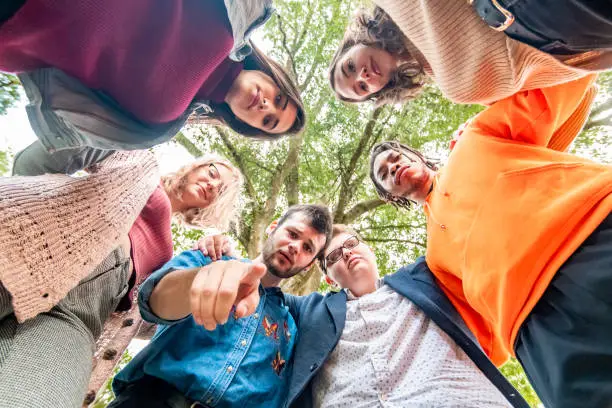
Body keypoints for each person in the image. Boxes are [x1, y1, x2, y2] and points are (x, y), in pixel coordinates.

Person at [369, 76, 612, 407]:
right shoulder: (434, 264)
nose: (392, 166)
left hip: (593, 232)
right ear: (390, 197)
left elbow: (553, 90)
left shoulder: (474, 139)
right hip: (540, 329)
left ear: (417, 156)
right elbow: (476, 339)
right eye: (384, 174)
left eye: (395, 157)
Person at [0, 151, 243, 408]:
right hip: (35, 247)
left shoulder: (171, 256)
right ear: (196, 167)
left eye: (220, 190)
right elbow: (51, 152)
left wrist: (209, 264)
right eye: (213, 173)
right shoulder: (140, 164)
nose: (212, 185)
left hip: (84, 312)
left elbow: (149, 322)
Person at [0, 0, 305, 171]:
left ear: (245, 124)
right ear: (271, 75)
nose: (267, 106)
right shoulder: (243, 15)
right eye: (279, 98)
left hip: (15, 26)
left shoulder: (160, 128)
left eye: (268, 121)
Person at [107, 204, 333, 408]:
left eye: (307, 248)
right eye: (292, 234)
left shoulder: (290, 331)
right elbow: (155, 302)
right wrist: (203, 278)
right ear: (272, 228)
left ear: (308, 266)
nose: (295, 247)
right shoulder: (210, 258)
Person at [329, 2, 611, 106]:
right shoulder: (450, 83)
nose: (362, 75)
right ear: (379, 91)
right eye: (362, 87)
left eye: (350, 67)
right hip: (564, 27)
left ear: (353, 45)